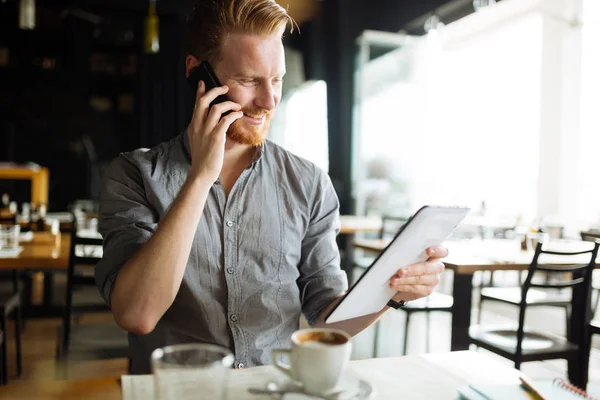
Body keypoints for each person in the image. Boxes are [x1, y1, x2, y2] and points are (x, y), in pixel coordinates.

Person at [95, 0, 448, 374]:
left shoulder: (309, 184)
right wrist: (200, 178)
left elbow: (328, 322)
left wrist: (390, 291)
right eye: (249, 80)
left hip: (274, 390)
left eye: (276, 80)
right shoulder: (134, 174)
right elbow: (137, 315)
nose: (268, 101)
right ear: (198, 74)